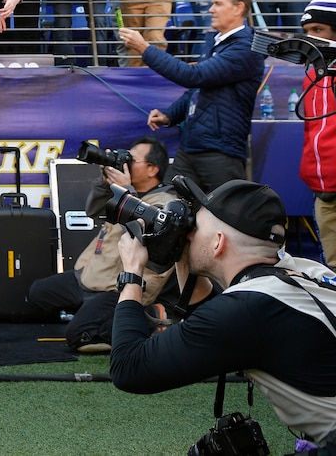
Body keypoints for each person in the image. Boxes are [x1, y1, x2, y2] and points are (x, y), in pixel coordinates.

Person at [111, 177, 336, 454]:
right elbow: (212, 326)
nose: (189, 232)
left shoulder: (247, 311)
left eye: (195, 228)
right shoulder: (308, 272)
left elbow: (129, 368)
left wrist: (132, 273)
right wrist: (182, 254)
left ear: (218, 242)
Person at [28, 137, 176, 351]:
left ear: (152, 169)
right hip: (89, 276)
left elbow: (143, 235)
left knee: (79, 335)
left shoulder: (166, 203)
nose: (124, 163)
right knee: (36, 295)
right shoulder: (127, 192)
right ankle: (92, 311)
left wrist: (126, 191)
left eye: (131, 160)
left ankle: (150, 317)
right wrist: (105, 182)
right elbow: (94, 211)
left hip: (119, 288)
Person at [119, 0, 264, 192]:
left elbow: (193, 76)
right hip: (191, 148)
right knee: (169, 210)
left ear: (239, 8)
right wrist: (171, 115)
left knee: (222, 217)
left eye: (218, 4)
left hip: (221, 152)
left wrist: (145, 48)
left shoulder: (245, 48)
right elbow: (199, 90)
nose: (211, 9)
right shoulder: (216, 42)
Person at [298, 0, 336, 271]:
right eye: (307, 30)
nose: (311, 36)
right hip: (323, 191)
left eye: (319, 28)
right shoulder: (312, 74)